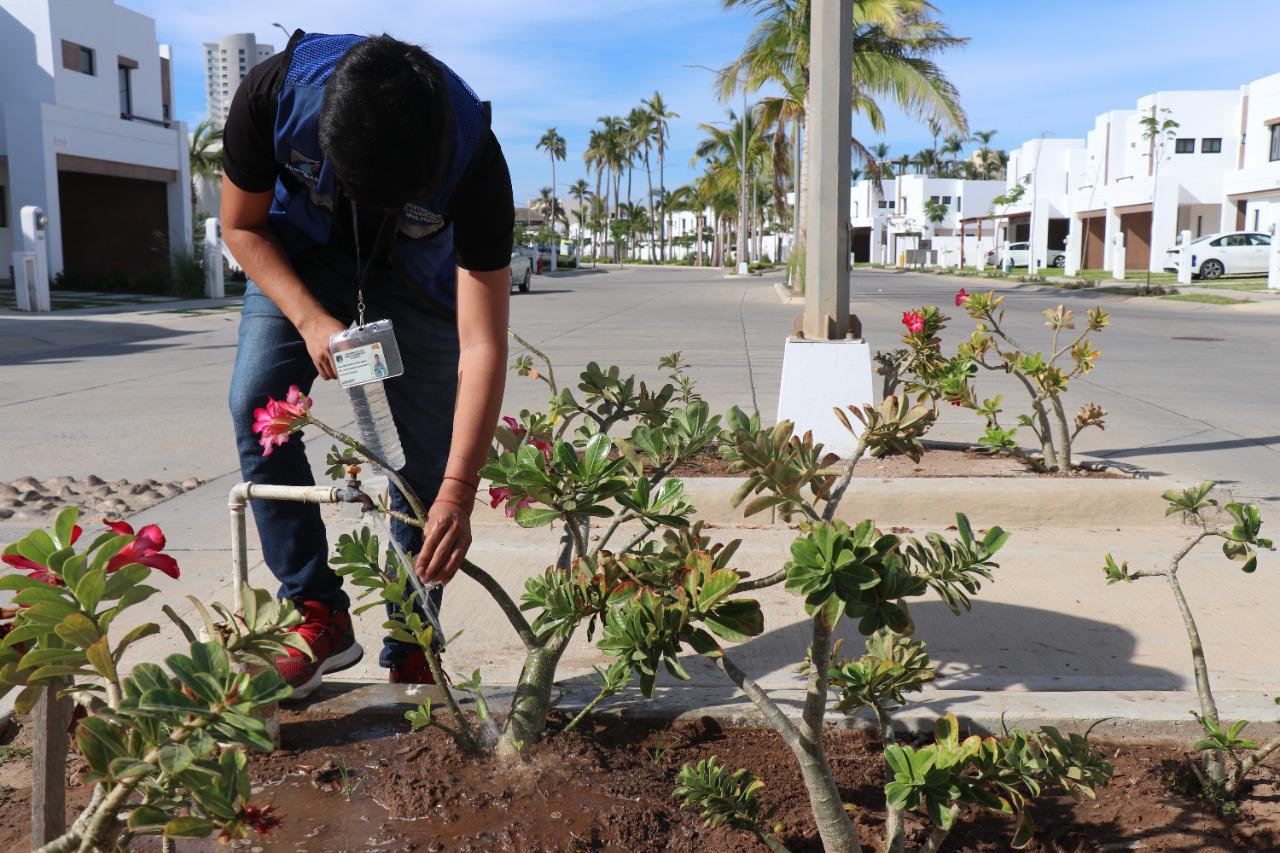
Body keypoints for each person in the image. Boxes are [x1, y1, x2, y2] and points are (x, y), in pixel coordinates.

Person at [223, 31, 512, 698]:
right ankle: (318, 612)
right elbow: (240, 224)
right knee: (253, 403)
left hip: (416, 284)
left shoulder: (476, 164)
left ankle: (411, 639)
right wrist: (309, 318)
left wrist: (461, 490)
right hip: (300, 256)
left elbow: (483, 343)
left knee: (422, 467)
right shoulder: (269, 96)